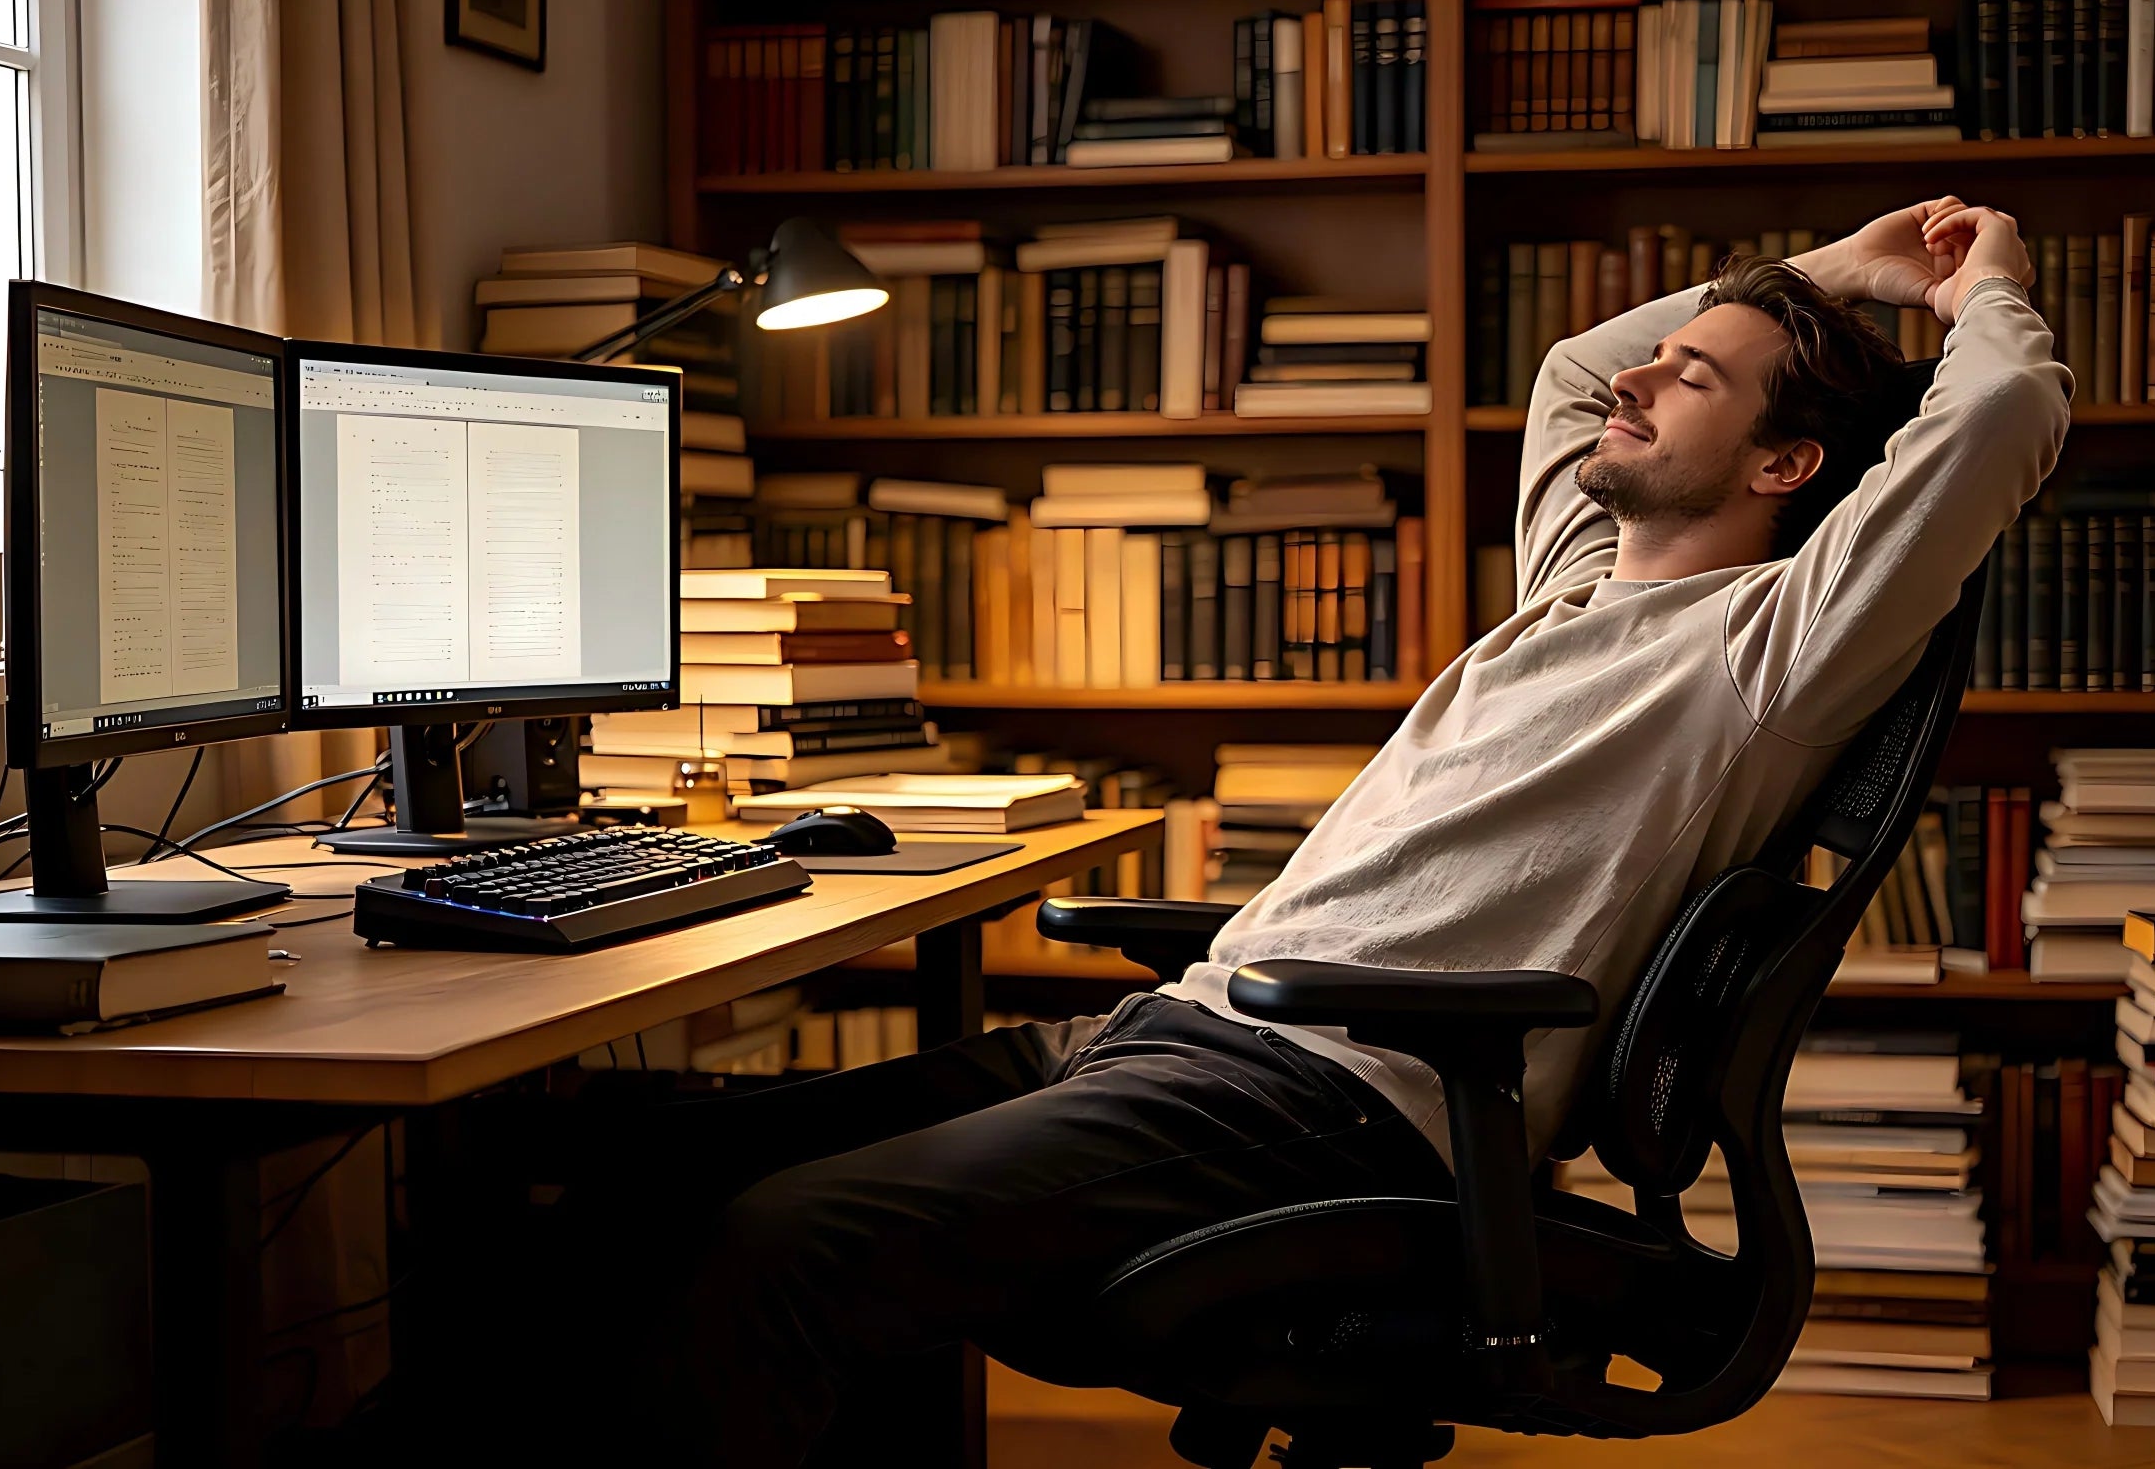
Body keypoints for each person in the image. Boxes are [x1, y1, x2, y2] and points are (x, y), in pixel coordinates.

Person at [576, 197, 2066, 1466]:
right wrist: (1826, 273)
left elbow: (1995, 411)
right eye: (1666, 360)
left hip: (1314, 1103)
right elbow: (1571, 366)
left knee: (783, 1247)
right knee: (610, 1169)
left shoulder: (1769, 649)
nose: (1642, 381)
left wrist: (1976, 280)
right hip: (1170, 1040)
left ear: (1783, 467)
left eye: (1695, 382)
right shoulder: (1576, 580)